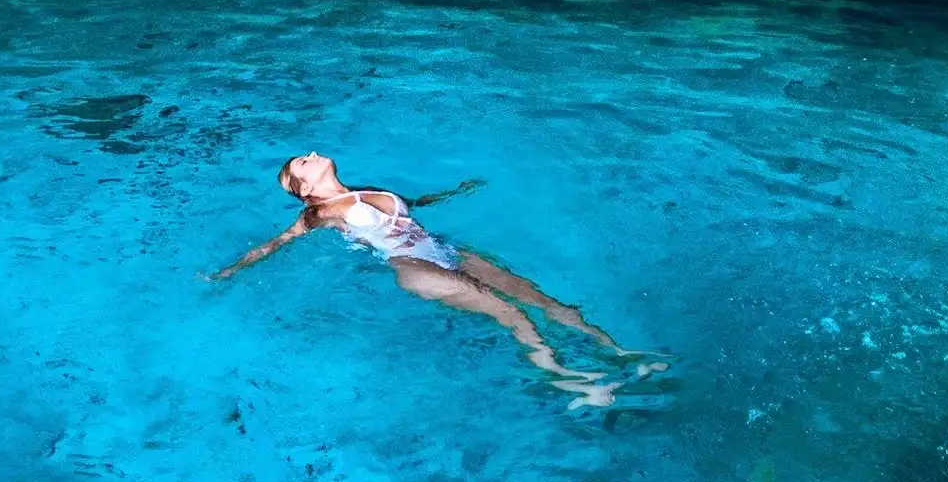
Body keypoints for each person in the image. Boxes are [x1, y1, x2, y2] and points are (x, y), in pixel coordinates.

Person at [209, 152, 663, 408]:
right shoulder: (319, 212)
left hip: (442, 250)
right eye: (300, 164)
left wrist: (458, 192)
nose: (310, 155)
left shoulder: (366, 189)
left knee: (543, 299)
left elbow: (415, 203)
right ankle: (569, 380)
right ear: (304, 189)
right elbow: (275, 243)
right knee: (509, 312)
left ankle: (622, 353)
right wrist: (229, 271)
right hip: (414, 267)